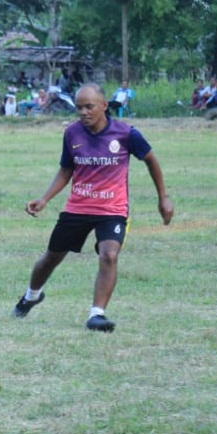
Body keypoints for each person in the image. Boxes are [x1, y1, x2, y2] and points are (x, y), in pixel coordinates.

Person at [12, 84, 174, 332]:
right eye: (79, 107)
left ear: (104, 106)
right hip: (78, 207)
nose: (83, 112)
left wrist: (163, 197)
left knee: (109, 255)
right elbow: (67, 170)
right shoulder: (72, 134)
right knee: (51, 258)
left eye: (89, 106)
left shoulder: (126, 134)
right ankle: (31, 296)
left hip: (112, 209)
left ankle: (96, 314)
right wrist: (44, 199)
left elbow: (151, 160)